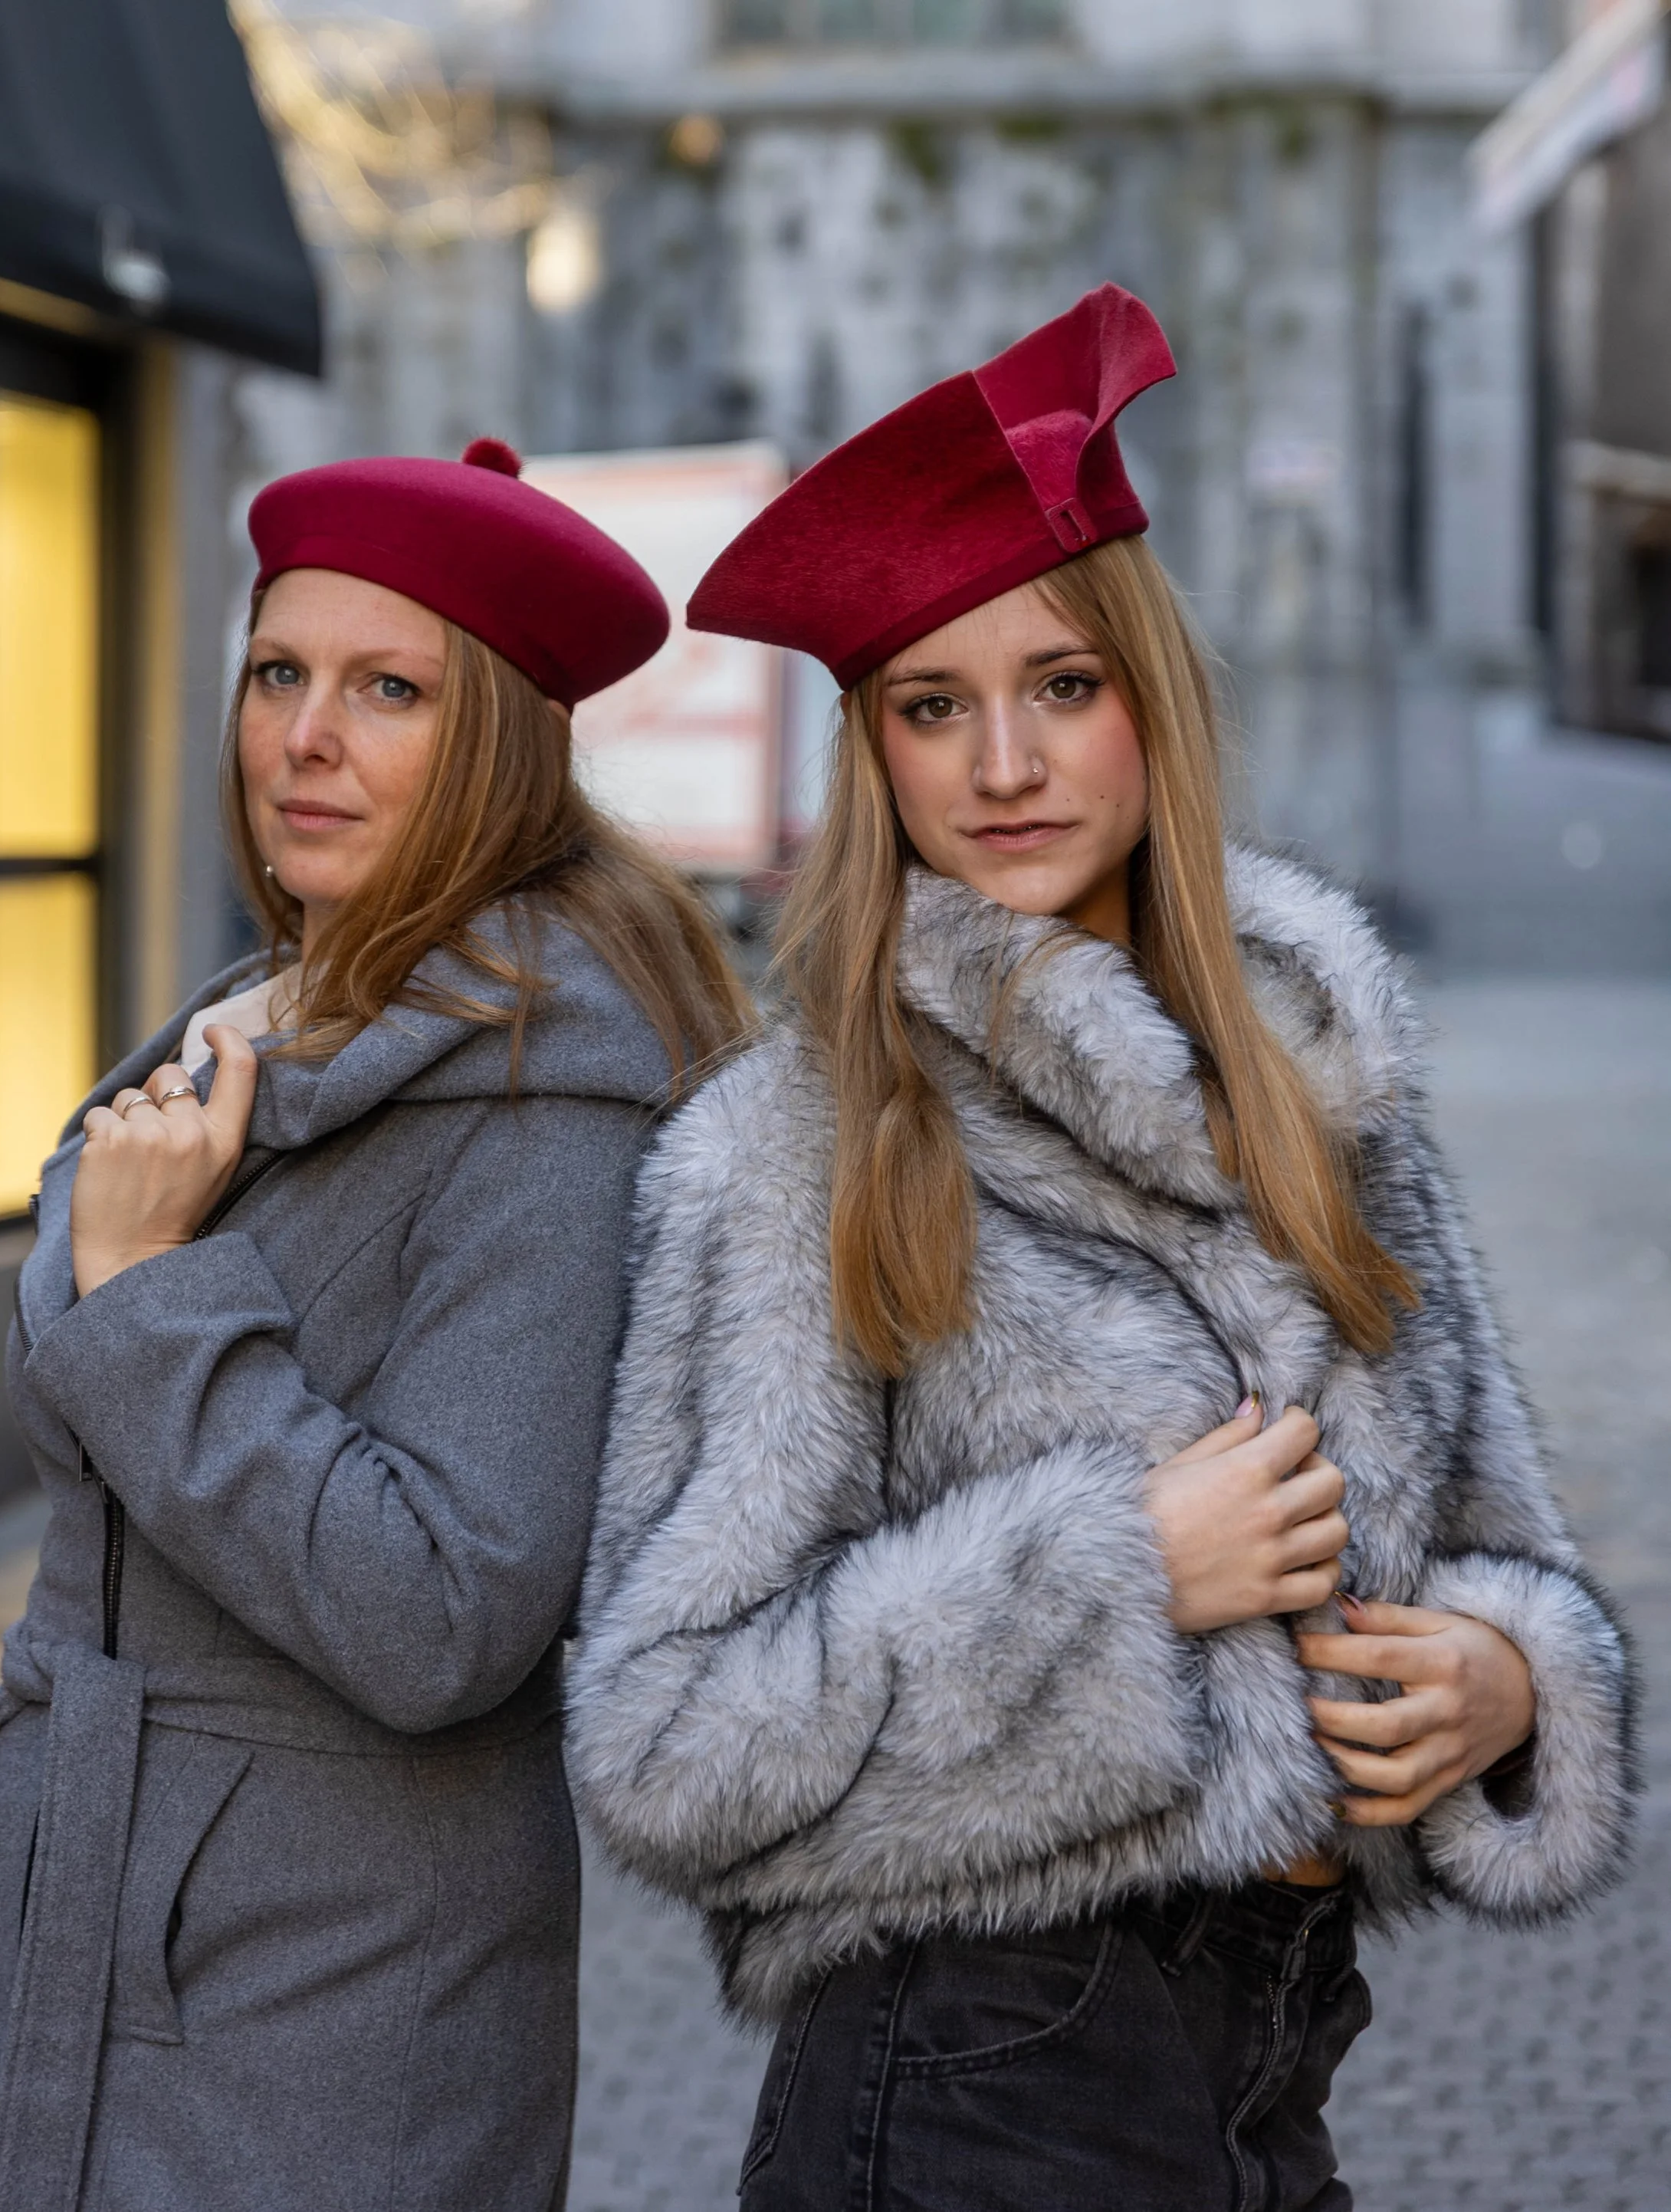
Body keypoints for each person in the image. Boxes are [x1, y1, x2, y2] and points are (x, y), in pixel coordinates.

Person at [566, 288, 1635, 2212]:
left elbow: (1504, 1552)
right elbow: (661, 1742)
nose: (1002, 762)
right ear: (871, 757)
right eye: (930, 704)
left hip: (1277, 2062)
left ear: (1154, 698)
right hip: (966, 2071)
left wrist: (1506, 1678)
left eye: (1061, 683)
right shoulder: (792, 1145)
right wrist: (1111, 1577)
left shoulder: (1320, 1090)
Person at [0, 439, 750, 2211]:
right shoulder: (276, 1013)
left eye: (386, 689)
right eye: (280, 671)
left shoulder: (546, 1102)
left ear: (491, 744)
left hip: (325, 2007)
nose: (304, 736)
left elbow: (446, 1609)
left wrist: (156, 1293)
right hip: (101, 1930)